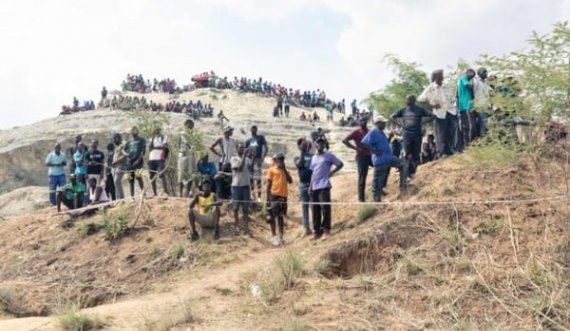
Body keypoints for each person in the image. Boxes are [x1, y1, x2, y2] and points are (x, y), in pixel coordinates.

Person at [362, 116, 407, 201]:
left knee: (404, 164)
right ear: (378, 123)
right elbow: (364, 143)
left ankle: (402, 187)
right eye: (383, 122)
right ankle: (376, 200)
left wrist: (389, 138)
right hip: (381, 160)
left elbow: (385, 143)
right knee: (379, 181)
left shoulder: (381, 132)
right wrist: (374, 151)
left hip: (388, 157)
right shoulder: (373, 132)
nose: (384, 124)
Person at [391, 95, 435, 178]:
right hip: (407, 135)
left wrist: (423, 122)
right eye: (406, 99)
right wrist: (399, 124)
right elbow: (392, 117)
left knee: (416, 154)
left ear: (413, 101)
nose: (407, 101)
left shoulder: (420, 110)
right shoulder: (403, 110)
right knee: (407, 154)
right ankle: (407, 173)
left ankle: (414, 172)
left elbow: (433, 116)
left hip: (417, 135)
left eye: (409, 99)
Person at [418, 69, 458, 157]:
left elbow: (453, 96)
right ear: (436, 77)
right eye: (441, 75)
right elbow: (421, 100)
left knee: (454, 130)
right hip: (440, 113)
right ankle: (442, 152)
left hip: (451, 110)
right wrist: (432, 106)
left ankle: (454, 149)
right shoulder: (431, 88)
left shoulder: (447, 86)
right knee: (441, 133)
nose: (443, 76)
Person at [309, 137, 343, 240]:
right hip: (314, 186)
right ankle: (316, 231)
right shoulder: (314, 157)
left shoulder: (329, 155)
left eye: (322, 143)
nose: (320, 145)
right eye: (318, 143)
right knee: (315, 209)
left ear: (324, 145)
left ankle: (326, 230)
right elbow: (313, 172)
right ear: (315, 145)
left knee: (325, 208)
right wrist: (310, 186)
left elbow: (340, 164)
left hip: (324, 185)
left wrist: (331, 173)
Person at [266, 152, 293, 246]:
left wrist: (285, 170)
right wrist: (267, 200)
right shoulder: (272, 170)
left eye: (282, 159)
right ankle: (273, 237)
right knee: (272, 216)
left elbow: (290, 181)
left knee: (281, 216)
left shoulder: (285, 171)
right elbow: (268, 185)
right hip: (274, 195)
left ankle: (281, 237)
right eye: (279, 159)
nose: (281, 161)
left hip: (283, 196)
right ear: (276, 160)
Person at [342, 117, 372, 202]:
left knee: (381, 166)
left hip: (370, 155)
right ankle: (361, 199)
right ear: (359, 122)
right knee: (362, 177)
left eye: (364, 120)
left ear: (367, 121)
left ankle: (378, 188)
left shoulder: (369, 132)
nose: (363, 121)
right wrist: (356, 148)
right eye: (361, 120)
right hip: (361, 156)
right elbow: (345, 141)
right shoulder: (356, 132)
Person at [231, 143, 255, 234]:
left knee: (245, 208)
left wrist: (253, 157)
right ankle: (236, 226)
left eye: (243, 148)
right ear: (237, 149)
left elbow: (251, 168)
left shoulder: (247, 159)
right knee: (236, 207)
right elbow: (240, 169)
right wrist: (244, 156)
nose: (242, 149)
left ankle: (246, 227)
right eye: (240, 148)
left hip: (245, 185)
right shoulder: (234, 159)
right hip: (237, 186)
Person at [294, 138, 313, 237]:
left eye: (305, 144)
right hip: (302, 184)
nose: (305, 146)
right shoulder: (296, 157)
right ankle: (306, 228)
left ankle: (315, 227)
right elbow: (300, 164)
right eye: (302, 144)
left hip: (311, 184)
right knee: (304, 206)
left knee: (313, 206)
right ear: (298, 146)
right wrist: (302, 151)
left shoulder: (312, 156)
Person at [245, 125, 268, 201]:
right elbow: (246, 151)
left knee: (258, 178)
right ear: (250, 130)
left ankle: (259, 196)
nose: (253, 130)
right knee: (250, 178)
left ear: (256, 129)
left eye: (254, 128)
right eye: (252, 128)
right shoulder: (248, 140)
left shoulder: (260, 137)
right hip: (249, 159)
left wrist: (263, 158)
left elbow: (266, 148)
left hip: (257, 159)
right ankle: (252, 194)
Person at [457, 69, 477, 149]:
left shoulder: (467, 79)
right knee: (471, 126)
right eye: (472, 74)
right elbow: (469, 87)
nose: (472, 76)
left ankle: (468, 144)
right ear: (467, 73)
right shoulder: (463, 78)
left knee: (470, 126)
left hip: (470, 106)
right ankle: (469, 145)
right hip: (465, 106)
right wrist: (473, 89)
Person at [124, 127, 146, 197]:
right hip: (129, 162)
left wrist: (139, 160)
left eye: (135, 131)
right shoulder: (129, 141)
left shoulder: (141, 140)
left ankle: (143, 194)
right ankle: (132, 197)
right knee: (130, 180)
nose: (133, 132)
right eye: (132, 131)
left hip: (139, 162)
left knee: (139, 177)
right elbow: (123, 150)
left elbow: (143, 151)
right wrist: (126, 154)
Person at [178, 119, 197, 197]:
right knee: (181, 174)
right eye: (189, 125)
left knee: (190, 175)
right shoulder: (182, 134)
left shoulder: (194, 135)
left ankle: (187, 193)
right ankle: (180, 194)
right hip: (183, 155)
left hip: (191, 156)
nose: (191, 126)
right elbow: (182, 144)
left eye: (192, 125)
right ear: (186, 125)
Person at [148, 127, 169, 196]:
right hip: (152, 158)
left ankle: (165, 192)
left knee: (162, 174)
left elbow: (164, 146)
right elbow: (150, 147)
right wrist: (153, 138)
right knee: (151, 175)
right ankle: (155, 193)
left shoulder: (163, 137)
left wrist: (156, 147)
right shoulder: (151, 138)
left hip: (160, 157)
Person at [474, 67, 492, 138]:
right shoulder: (476, 82)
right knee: (483, 124)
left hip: (487, 106)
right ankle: (483, 141)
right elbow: (473, 92)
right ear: (479, 73)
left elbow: (491, 91)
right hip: (480, 106)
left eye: (486, 72)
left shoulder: (485, 83)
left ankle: (485, 140)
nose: (486, 73)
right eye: (484, 72)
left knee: (486, 124)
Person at [111, 133, 127, 200]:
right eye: (113, 139)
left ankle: (121, 199)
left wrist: (116, 161)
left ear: (119, 138)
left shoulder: (123, 145)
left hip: (121, 166)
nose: (114, 140)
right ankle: (118, 200)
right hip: (115, 167)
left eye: (115, 138)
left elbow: (125, 156)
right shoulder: (116, 146)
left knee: (117, 181)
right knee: (115, 184)